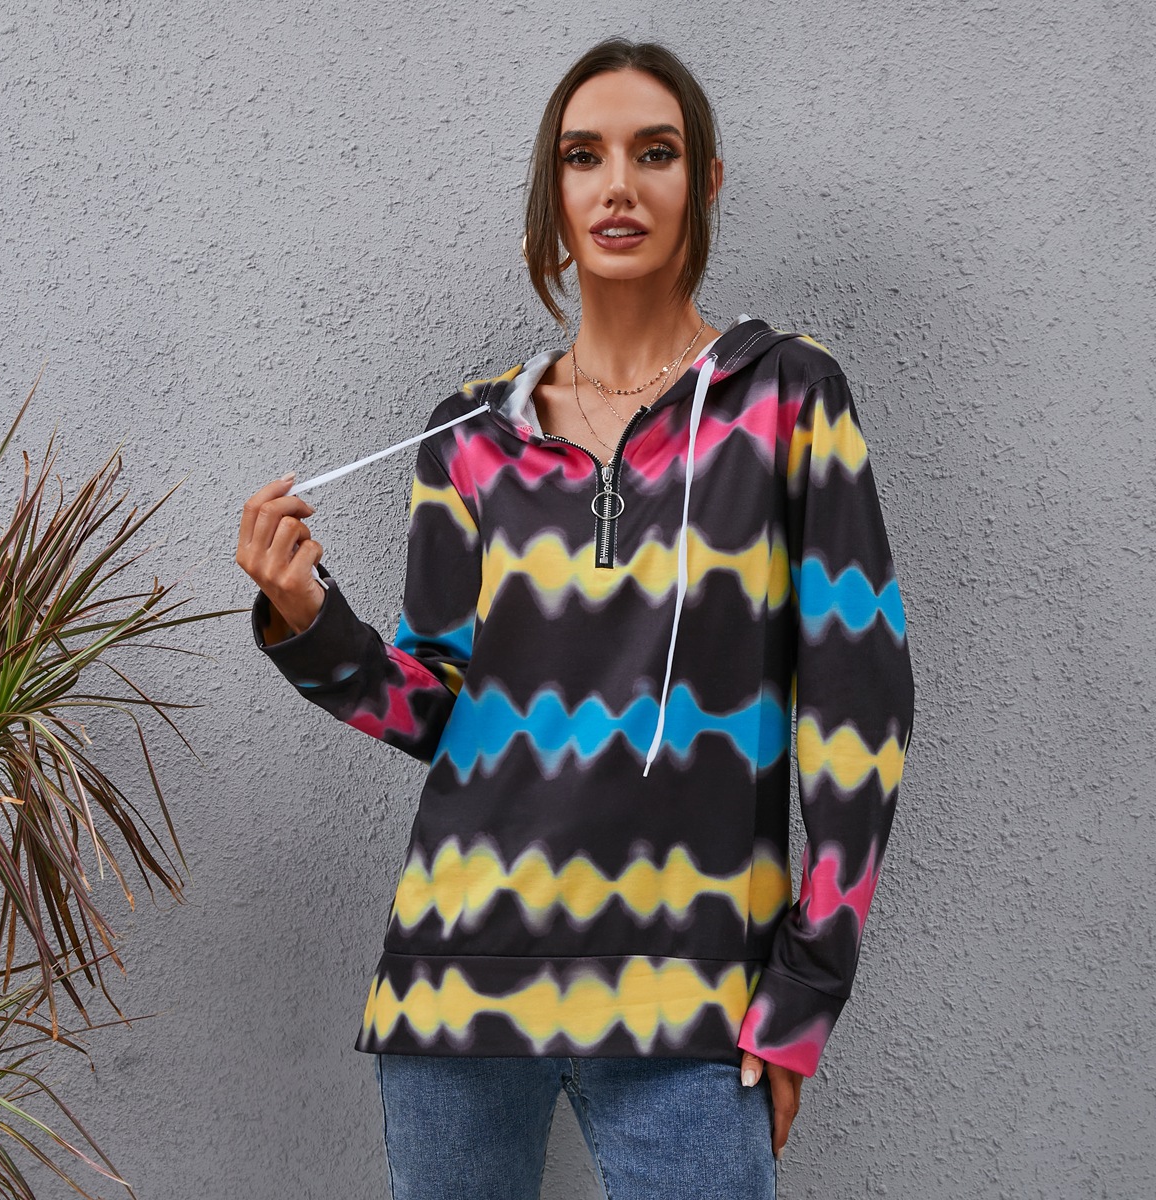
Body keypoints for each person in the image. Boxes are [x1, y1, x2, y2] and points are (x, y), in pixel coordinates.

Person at [236, 37, 914, 1200]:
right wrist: (309, 618)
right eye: (583, 156)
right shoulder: (468, 436)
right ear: (552, 193)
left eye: (655, 153)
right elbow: (437, 711)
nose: (618, 186)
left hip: (692, 997)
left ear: (704, 180)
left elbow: (861, 712)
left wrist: (806, 990)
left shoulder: (788, 397)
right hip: (457, 987)